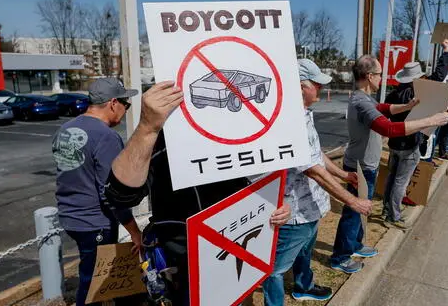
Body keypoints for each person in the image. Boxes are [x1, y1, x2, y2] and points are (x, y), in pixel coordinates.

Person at [104, 80, 291, 306]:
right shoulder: (166, 139)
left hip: (240, 256)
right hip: (187, 263)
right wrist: (147, 127)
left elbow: (255, 185)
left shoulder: (244, 135)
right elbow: (121, 195)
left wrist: (275, 207)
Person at [262, 59, 374, 305]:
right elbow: (312, 169)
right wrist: (352, 201)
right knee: (276, 269)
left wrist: (342, 175)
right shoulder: (290, 121)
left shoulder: (304, 114)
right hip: (294, 211)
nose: (321, 89)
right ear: (301, 87)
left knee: (305, 249)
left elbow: (317, 153)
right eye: (317, 84)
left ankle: (304, 286)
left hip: (310, 206)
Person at [330, 54, 448, 270]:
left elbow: (384, 108)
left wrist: (408, 106)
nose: (381, 79)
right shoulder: (360, 101)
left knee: (360, 211)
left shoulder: (366, 99)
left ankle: (355, 245)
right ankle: (340, 257)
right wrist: (430, 120)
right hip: (360, 166)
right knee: (352, 212)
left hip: (366, 164)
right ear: (369, 76)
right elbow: (388, 129)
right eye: (379, 75)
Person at [52, 78, 142, 306]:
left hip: (70, 217)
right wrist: (134, 230)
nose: (125, 110)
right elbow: (111, 193)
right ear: (113, 103)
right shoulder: (106, 136)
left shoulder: (65, 129)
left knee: (99, 275)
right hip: (94, 222)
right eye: (126, 104)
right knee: (92, 283)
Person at [384, 40, 448, 229]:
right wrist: (446, 50)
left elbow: (386, 113)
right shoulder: (420, 93)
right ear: (418, 76)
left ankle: (386, 209)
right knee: (400, 181)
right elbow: (440, 74)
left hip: (394, 142)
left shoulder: (393, 94)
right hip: (411, 142)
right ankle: (394, 215)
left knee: (391, 176)